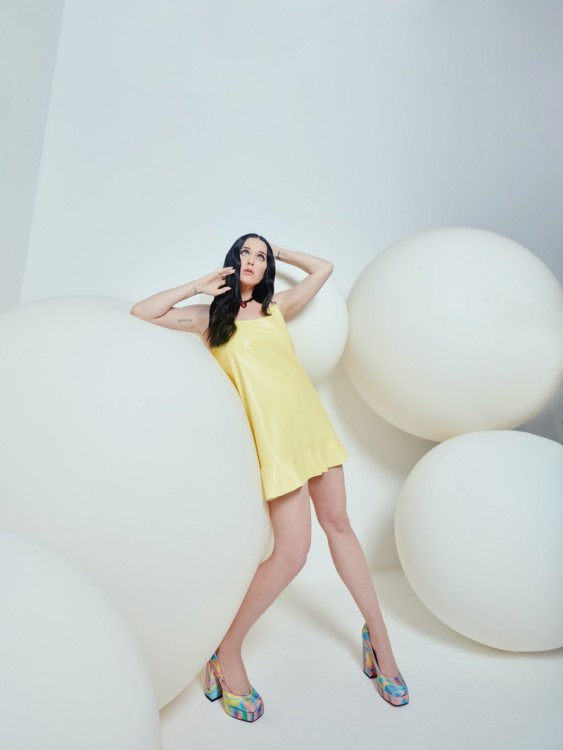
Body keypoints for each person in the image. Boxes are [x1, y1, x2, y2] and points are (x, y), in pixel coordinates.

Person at [130, 233, 409, 721]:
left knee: (340, 525)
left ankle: (379, 639)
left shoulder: (276, 308)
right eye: (246, 252)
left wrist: (279, 250)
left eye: (260, 256)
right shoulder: (210, 319)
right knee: (291, 555)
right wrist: (196, 286)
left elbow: (323, 269)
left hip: (313, 426)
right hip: (275, 444)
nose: (253, 260)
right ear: (231, 261)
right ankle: (226, 650)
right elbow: (142, 313)